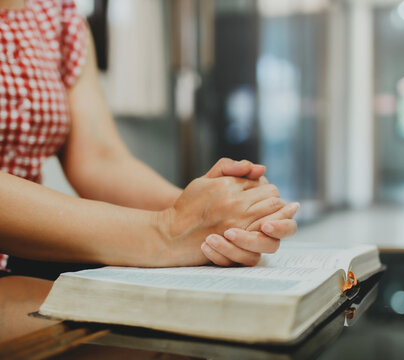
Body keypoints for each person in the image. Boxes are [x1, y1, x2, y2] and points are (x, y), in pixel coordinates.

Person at [0, 0, 298, 280]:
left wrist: (210, 211)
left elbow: (98, 159)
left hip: (22, 256)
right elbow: (169, 229)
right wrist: (168, 230)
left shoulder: (58, 14)